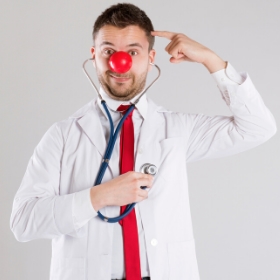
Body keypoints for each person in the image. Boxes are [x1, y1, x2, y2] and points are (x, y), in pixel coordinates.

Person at [10, 3, 276, 280]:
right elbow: (23, 222)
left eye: (133, 52)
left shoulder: (177, 129)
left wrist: (211, 60)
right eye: (108, 51)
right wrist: (99, 196)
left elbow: (258, 127)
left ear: (151, 58)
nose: (119, 63)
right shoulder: (63, 135)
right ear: (94, 56)